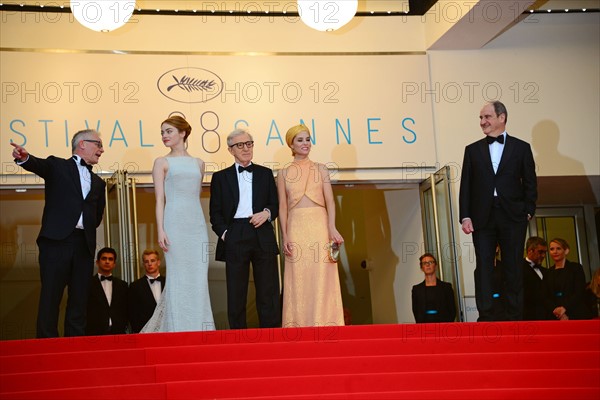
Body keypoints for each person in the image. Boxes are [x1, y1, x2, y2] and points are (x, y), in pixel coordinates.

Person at [10, 130, 106, 338]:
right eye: (98, 144)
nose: (102, 149)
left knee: (79, 298)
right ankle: (46, 345)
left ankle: (75, 345)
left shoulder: (99, 183)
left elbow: (97, 216)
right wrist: (25, 158)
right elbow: (39, 165)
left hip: (84, 246)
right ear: (82, 144)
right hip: (56, 242)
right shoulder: (58, 166)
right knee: (51, 296)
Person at [459, 101, 537, 321]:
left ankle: (514, 316)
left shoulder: (522, 148)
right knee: (484, 266)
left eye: (487, 117)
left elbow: (530, 183)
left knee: (513, 265)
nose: (483, 122)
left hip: (513, 216)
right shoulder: (472, 150)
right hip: (482, 217)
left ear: (501, 117)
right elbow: (466, 185)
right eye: (481, 118)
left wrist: (528, 210)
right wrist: (465, 215)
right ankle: (486, 315)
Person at [142, 116, 214, 332]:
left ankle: (201, 329)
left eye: (169, 131)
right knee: (179, 276)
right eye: (163, 132)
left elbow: (195, 195)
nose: (164, 136)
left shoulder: (199, 163)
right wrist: (161, 229)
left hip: (196, 225)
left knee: (198, 277)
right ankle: (178, 330)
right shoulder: (161, 162)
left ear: (183, 133)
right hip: (174, 223)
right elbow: (159, 200)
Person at [209, 128, 281, 329]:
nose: (246, 148)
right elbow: (215, 213)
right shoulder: (220, 177)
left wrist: (266, 213)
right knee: (236, 290)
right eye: (240, 145)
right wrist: (226, 234)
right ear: (231, 150)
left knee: (268, 288)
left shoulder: (265, 173)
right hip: (235, 233)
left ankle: (271, 336)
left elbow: (275, 205)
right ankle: (238, 339)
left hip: (262, 231)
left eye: (249, 143)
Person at [278, 124, 345, 327]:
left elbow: (330, 201)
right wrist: (285, 236)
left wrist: (332, 228)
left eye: (308, 139)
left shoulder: (321, 168)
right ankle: (298, 324)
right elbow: (282, 207)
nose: (305, 143)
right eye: (300, 140)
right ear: (291, 144)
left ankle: (325, 322)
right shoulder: (283, 173)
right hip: (296, 227)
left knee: (321, 273)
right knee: (298, 275)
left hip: (319, 225)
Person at [85, 247, 128, 335]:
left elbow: (126, 309)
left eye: (110, 259)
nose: (107, 261)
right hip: (93, 333)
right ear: (97, 262)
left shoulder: (122, 285)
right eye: (104, 258)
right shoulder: (87, 284)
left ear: (114, 264)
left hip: (118, 333)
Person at [543, 238, 587, 320]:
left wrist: (565, 308)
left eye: (558, 248)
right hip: (554, 316)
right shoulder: (547, 273)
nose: (555, 252)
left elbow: (579, 291)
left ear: (566, 251)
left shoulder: (576, 268)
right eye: (552, 249)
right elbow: (545, 296)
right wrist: (556, 311)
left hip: (575, 314)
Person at [411, 253, 456, 323]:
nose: (427, 265)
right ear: (421, 268)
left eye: (430, 262)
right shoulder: (416, 289)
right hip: (424, 326)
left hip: (444, 326)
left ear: (435, 265)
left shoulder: (446, 287)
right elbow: (416, 311)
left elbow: (452, 310)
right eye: (424, 263)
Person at [128, 249, 165, 333]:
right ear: (143, 264)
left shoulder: (168, 283)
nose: (150, 264)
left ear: (158, 262)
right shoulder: (135, 286)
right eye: (146, 261)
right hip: (144, 332)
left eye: (152, 260)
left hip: (167, 329)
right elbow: (132, 313)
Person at [522, 236, 552, 320]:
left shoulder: (546, 271)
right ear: (530, 251)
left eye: (544, 252)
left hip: (546, 316)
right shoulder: (519, 269)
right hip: (528, 317)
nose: (543, 256)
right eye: (540, 252)